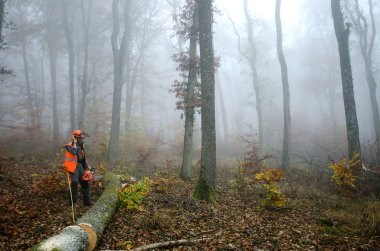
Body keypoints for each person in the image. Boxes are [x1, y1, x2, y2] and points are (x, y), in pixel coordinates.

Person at [64, 129, 93, 207]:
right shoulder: (69, 146)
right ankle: (73, 203)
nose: (82, 139)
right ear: (75, 137)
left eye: (82, 138)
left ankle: (87, 201)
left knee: (85, 182)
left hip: (80, 166)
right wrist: (75, 143)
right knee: (75, 183)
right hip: (73, 167)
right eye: (80, 138)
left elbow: (82, 158)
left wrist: (87, 166)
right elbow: (74, 152)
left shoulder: (81, 145)